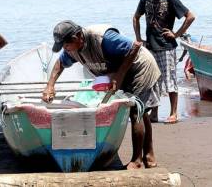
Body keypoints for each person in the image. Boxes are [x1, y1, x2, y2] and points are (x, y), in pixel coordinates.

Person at [42, 20, 161, 169]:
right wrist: (50, 85)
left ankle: (137, 161)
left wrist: (119, 76)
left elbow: (135, 46)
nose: (65, 49)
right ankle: (149, 156)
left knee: (135, 110)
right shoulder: (72, 50)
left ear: (78, 36)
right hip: (120, 72)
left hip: (139, 67)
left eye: (66, 45)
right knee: (141, 111)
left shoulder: (102, 38)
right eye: (63, 46)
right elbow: (60, 63)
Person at [133, 0, 195, 124]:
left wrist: (176, 34)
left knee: (169, 80)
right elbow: (135, 17)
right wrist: (139, 38)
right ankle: (154, 113)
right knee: (152, 81)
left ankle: (173, 113)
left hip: (166, 47)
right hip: (150, 47)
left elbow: (190, 16)